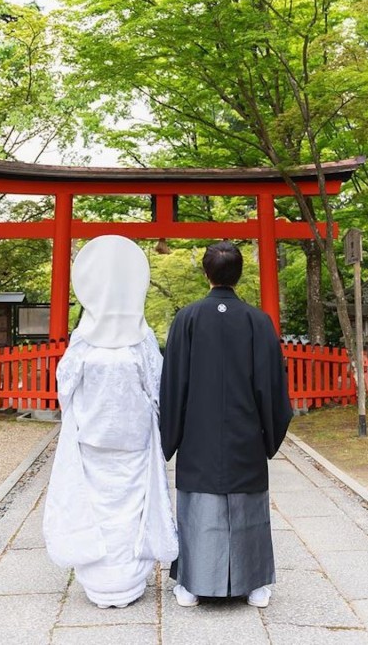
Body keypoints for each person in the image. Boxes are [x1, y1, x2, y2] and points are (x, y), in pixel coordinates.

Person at [43, 235, 178, 609]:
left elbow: (65, 386)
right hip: (133, 435)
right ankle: (126, 581)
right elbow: (158, 385)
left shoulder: (84, 338)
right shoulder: (141, 337)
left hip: (93, 434)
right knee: (131, 507)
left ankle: (103, 583)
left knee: (98, 506)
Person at [160, 240, 293, 608]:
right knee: (247, 504)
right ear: (239, 274)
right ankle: (255, 585)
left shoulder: (187, 317)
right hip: (245, 431)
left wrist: (168, 436)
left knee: (200, 505)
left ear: (206, 273)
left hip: (198, 432)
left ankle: (191, 583)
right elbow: (271, 386)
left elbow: (172, 383)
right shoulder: (258, 320)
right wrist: (269, 432)